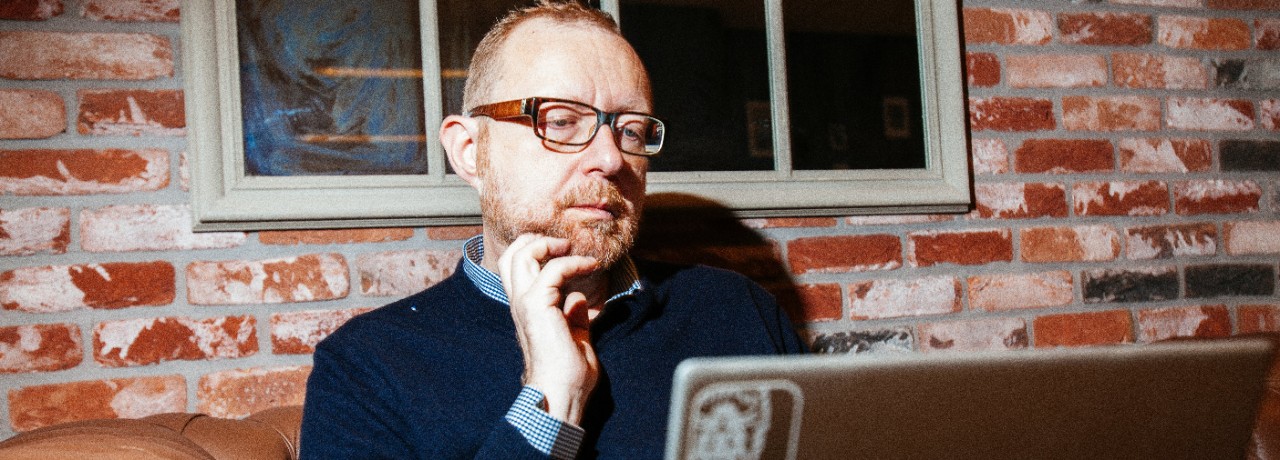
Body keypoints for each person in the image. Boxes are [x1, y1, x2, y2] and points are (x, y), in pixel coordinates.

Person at [299, 2, 804, 458]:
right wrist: (552, 401)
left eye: (630, 130)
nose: (611, 159)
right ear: (471, 153)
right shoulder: (366, 368)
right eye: (561, 122)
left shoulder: (738, 311)